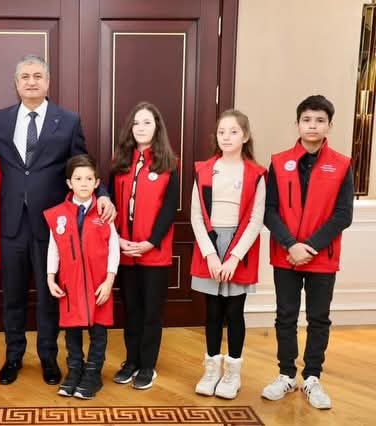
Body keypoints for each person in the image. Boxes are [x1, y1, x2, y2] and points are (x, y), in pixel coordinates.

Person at [0, 54, 116, 386]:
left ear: (48, 82)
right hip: (11, 223)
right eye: (25, 77)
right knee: (12, 295)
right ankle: (13, 356)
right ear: (16, 84)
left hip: (52, 226)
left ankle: (48, 357)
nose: (31, 82)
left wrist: (102, 194)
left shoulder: (67, 120)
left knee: (48, 296)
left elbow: (82, 163)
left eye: (37, 76)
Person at [261, 95, 353, 410]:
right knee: (285, 316)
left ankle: (312, 377)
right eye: (307, 120)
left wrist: (309, 247)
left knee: (318, 319)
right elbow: (269, 210)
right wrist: (291, 245)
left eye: (320, 120)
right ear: (298, 123)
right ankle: (286, 374)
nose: (312, 126)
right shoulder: (278, 162)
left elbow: (344, 214)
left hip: (322, 257)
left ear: (329, 125)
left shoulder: (342, 164)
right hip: (285, 255)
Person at [190, 109, 266, 399]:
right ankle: (211, 370)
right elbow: (197, 216)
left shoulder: (256, 174)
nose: (226, 137)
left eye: (233, 132)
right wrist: (210, 254)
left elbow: (256, 220)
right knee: (212, 312)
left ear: (245, 136)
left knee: (234, 312)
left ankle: (232, 373)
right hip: (209, 245)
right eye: (222, 132)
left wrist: (234, 257)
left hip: (239, 247)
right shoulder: (204, 170)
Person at [110, 102, 179, 390]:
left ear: (157, 128)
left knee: (151, 312)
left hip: (154, 253)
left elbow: (169, 209)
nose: (140, 128)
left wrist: (150, 243)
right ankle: (131, 361)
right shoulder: (120, 164)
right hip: (126, 251)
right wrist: (118, 239)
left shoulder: (169, 164)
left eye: (147, 122)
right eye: (136, 123)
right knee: (132, 310)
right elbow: (111, 206)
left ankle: (147, 365)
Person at [43, 154, 120, 399]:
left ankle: (93, 373)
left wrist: (109, 281)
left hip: (99, 284)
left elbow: (114, 248)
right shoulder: (58, 214)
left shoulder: (104, 213)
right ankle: (74, 370)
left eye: (89, 179)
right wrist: (50, 277)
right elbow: (54, 247)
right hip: (70, 284)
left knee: (98, 330)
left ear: (97, 183)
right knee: (72, 330)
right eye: (78, 179)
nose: (84, 183)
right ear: (69, 183)